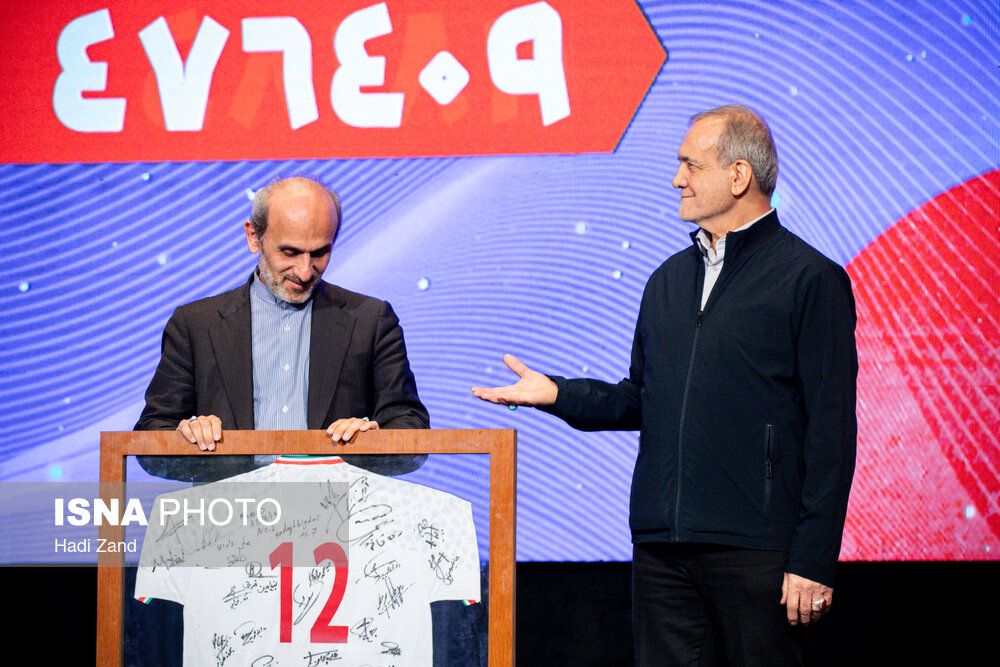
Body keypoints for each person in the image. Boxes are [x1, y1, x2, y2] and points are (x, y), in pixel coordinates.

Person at [473, 105, 858, 665]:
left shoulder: (810, 279)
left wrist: (813, 559)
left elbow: (832, 433)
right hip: (662, 552)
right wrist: (557, 393)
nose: (677, 179)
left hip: (758, 553)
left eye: (690, 165)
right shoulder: (667, 280)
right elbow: (642, 398)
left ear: (739, 175)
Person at [135, 175, 429, 481]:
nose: (304, 271)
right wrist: (189, 436)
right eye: (289, 253)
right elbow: (150, 437)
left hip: (336, 508)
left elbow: (412, 431)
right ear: (254, 236)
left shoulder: (371, 320)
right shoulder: (196, 324)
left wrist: (372, 440)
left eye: (320, 253)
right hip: (229, 508)